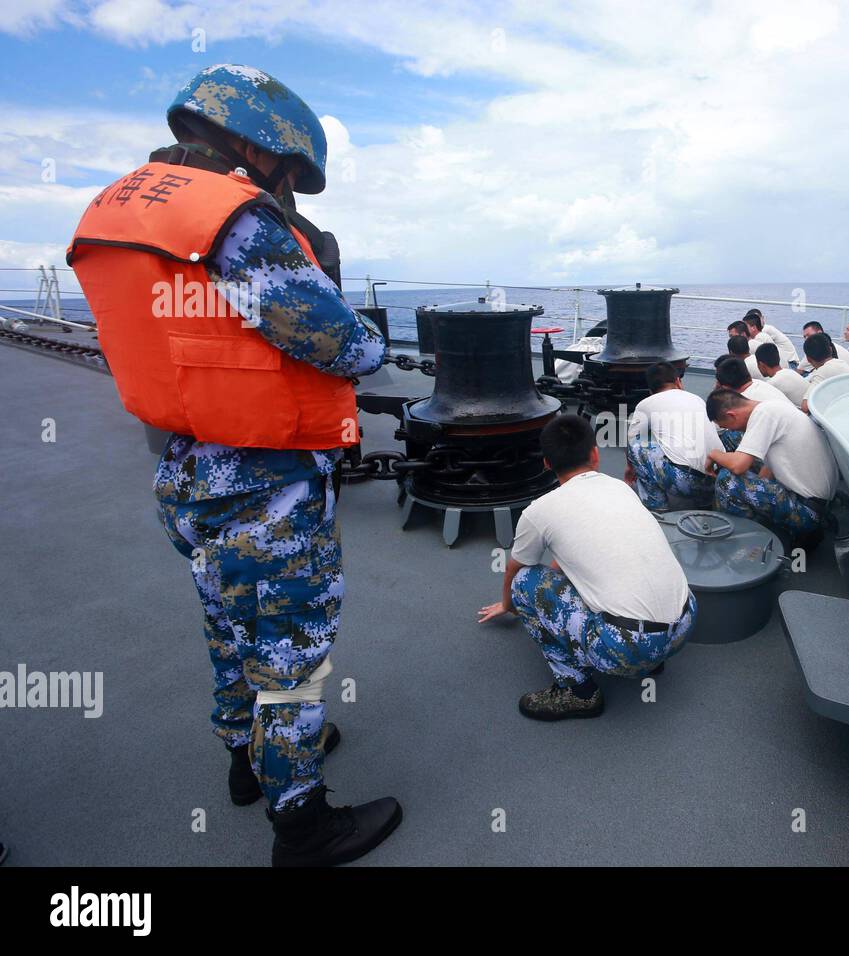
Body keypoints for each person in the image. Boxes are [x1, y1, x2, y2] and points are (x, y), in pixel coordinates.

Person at [65, 64, 401, 867]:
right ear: (259, 143)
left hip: (185, 469)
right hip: (265, 481)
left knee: (226, 622)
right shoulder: (235, 218)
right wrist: (341, 297)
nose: (287, 190)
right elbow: (347, 345)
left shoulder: (115, 210)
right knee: (290, 649)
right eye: (288, 173)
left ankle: (244, 764)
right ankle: (303, 823)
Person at [478, 416, 697, 721]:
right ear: (594, 454)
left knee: (525, 584)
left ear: (546, 463)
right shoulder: (621, 489)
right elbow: (575, 557)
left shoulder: (539, 510)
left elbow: (514, 570)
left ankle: (579, 693)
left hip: (632, 648)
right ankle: (652, 662)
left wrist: (507, 605)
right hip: (685, 624)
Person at [705, 389, 838, 544]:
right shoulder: (772, 407)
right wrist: (754, 494)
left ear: (731, 415)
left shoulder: (764, 414)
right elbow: (768, 469)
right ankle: (775, 529)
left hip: (807, 513)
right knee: (739, 451)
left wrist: (714, 454)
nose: (732, 430)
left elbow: (738, 466)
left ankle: (744, 542)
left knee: (727, 480)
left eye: (729, 426)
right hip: (817, 506)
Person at [624, 362, 722, 510]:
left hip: (685, 483)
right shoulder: (697, 399)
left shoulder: (646, 404)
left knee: (637, 444)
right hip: (717, 481)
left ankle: (656, 507)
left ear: (651, 390)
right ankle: (705, 503)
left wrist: (630, 469)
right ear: (678, 381)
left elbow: (632, 438)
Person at [800, 332, 849, 411]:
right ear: (830, 349)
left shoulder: (823, 371)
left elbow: (805, 407)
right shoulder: (841, 363)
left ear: (808, 359)